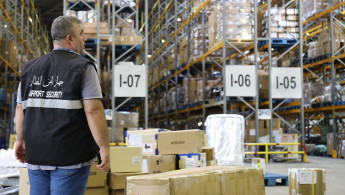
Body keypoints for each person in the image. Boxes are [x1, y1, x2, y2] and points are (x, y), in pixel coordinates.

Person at [14, 16, 110, 195]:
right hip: (69, 158)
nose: (85, 38)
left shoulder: (29, 69)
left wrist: (20, 140)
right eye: (81, 34)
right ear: (70, 39)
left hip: (36, 156)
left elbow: (20, 108)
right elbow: (93, 111)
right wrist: (104, 147)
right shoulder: (83, 68)